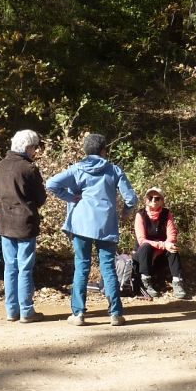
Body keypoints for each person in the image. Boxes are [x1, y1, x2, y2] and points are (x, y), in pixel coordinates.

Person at [47, 133, 139, 326]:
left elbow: (51, 184)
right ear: (104, 150)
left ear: (85, 150)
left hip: (81, 225)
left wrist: (70, 198)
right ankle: (115, 314)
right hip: (106, 225)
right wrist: (125, 213)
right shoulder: (113, 170)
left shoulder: (77, 169)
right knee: (108, 268)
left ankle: (78, 314)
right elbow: (131, 198)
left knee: (82, 266)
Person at [0, 129, 48, 323]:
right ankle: (26, 310)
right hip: (25, 223)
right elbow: (41, 198)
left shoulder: (1, 165)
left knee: (10, 267)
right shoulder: (28, 168)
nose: (35, 151)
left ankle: (11, 311)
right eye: (34, 147)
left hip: (5, 222)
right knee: (24, 267)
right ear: (27, 147)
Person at [133, 187, 189, 300]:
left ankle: (177, 282)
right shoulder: (140, 215)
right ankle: (146, 282)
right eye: (150, 197)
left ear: (162, 201)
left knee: (173, 248)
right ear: (146, 200)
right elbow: (142, 240)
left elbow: (172, 235)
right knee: (146, 247)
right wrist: (164, 245)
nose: (154, 200)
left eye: (157, 198)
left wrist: (168, 245)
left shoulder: (167, 214)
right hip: (144, 255)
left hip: (161, 254)